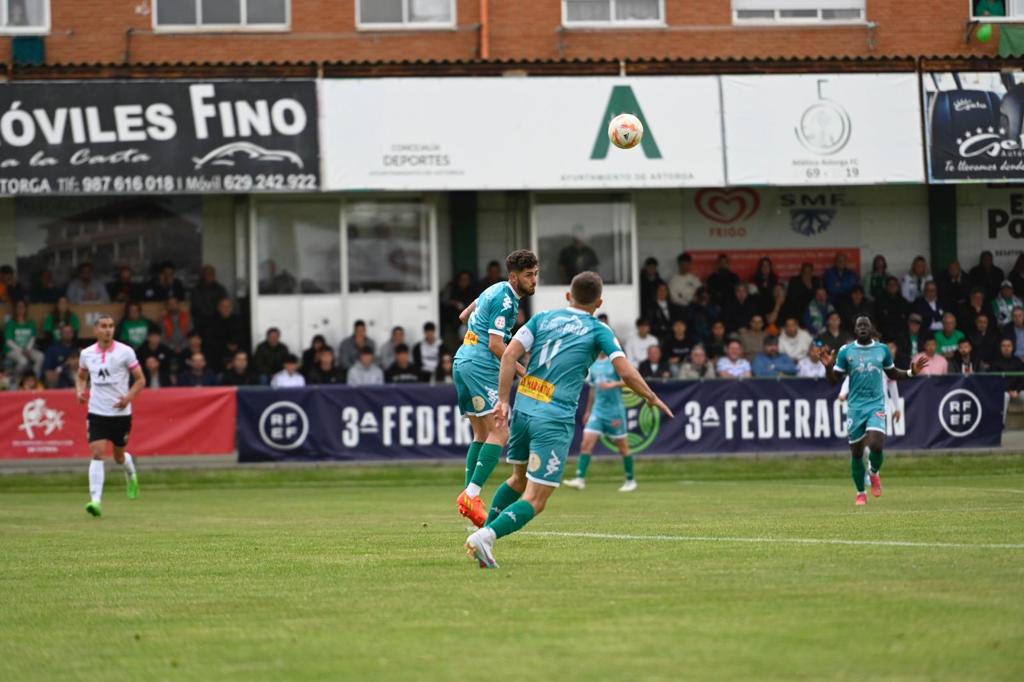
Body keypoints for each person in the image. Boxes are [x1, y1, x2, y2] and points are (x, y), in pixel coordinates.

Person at [464, 271, 672, 568]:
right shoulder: (599, 330)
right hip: (553, 416)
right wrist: (651, 397)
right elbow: (625, 372)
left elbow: (509, 354)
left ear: (567, 296)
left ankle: (484, 535)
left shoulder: (542, 318)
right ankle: (486, 537)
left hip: (523, 409)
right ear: (598, 302)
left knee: (518, 479)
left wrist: (505, 401)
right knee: (536, 498)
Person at [452, 250, 538, 528]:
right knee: (501, 431)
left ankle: (469, 498)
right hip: (479, 365)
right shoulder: (506, 300)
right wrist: (524, 373)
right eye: (528, 275)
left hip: (463, 359)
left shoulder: (495, 288)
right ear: (514, 277)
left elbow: (465, 315)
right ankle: (472, 494)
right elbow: (496, 345)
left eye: (536, 274)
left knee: (481, 432)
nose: (534, 280)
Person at [822, 316, 926, 506]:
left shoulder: (882, 350)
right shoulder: (846, 352)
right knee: (857, 452)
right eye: (859, 325)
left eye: (866, 325)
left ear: (871, 329)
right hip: (855, 408)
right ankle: (861, 492)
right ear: (855, 330)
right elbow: (833, 380)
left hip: (876, 404)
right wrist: (829, 367)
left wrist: (912, 372)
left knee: (877, 444)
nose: (862, 328)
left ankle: (874, 471)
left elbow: (893, 374)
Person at [76, 314, 145, 517]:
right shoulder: (87, 354)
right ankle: (95, 501)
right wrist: (79, 391)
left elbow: (140, 380)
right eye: (104, 326)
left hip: (120, 413)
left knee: (118, 456)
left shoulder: (126, 352)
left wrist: (128, 397)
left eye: (111, 326)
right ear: (95, 330)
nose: (108, 329)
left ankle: (131, 473)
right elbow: (81, 376)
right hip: (97, 411)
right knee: (97, 453)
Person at [564, 353, 638, 493]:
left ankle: (630, 480)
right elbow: (592, 389)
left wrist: (613, 384)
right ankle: (580, 479)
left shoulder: (616, 362)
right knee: (586, 443)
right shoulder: (593, 364)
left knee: (623, 447)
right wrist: (588, 411)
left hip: (615, 412)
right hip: (598, 411)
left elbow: (629, 379)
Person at [203, 297, 245, 372]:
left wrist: (234, 344)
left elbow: (241, 336)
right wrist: (226, 345)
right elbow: (210, 339)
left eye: (228, 306)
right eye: (223, 306)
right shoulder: (212, 321)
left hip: (235, 351)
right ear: (218, 308)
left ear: (231, 308)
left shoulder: (237, 320)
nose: (226, 309)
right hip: (218, 353)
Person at [5, 299, 44, 379]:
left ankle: (35, 379)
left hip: (27, 350)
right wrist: (22, 351)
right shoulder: (11, 323)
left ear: (25, 309)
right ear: (15, 309)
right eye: (19, 307)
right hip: (12, 351)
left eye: (22, 307)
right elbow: (9, 341)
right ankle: (15, 380)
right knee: (23, 361)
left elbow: (33, 338)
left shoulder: (31, 322)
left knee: (40, 356)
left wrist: (27, 350)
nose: (21, 309)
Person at [190, 265, 228, 334]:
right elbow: (197, 306)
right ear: (203, 275)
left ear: (214, 276)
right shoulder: (196, 289)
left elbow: (224, 305)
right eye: (207, 274)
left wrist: (216, 313)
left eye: (211, 274)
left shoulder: (220, 289)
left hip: (217, 318)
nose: (209, 276)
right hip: (201, 319)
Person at [990, 339, 1024, 416]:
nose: (1006, 348)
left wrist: (1017, 391)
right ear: (1000, 348)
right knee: (1005, 396)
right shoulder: (996, 362)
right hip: (1003, 391)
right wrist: (1008, 391)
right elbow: (995, 381)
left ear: (1012, 347)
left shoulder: (1018, 361)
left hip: (1017, 391)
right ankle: (1002, 424)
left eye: (1009, 346)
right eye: (1003, 346)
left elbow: (1022, 379)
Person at [874, 276, 910, 341]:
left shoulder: (903, 301)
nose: (892, 286)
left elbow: (906, 318)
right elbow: (877, 318)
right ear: (886, 286)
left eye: (894, 284)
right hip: (884, 334)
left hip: (900, 334)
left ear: (898, 286)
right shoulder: (879, 301)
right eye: (890, 284)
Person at [42, 324, 77, 388]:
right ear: (60, 334)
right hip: (59, 384)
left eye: (70, 332)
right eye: (65, 332)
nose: (68, 334)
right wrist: (65, 365)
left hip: (76, 382)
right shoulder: (52, 349)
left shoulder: (78, 349)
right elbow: (47, 372)